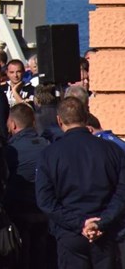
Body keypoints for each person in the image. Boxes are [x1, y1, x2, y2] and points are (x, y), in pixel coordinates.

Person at [35, 97, 125, 268]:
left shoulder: (49, 154)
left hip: (71, 233)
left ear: (59, 120)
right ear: (85, 118)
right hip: (104, 231)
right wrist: (101, 221)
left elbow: (45, 200)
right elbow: (121, 192)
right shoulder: (112, 150)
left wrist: (81, 223)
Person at [4, 103, 52, 269]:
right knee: (41, 255)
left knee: (22, 256)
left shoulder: (10, 150)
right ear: (33, 122)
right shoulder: (47, 146)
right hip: (44, 210)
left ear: (13, 124)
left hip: (19, 211)